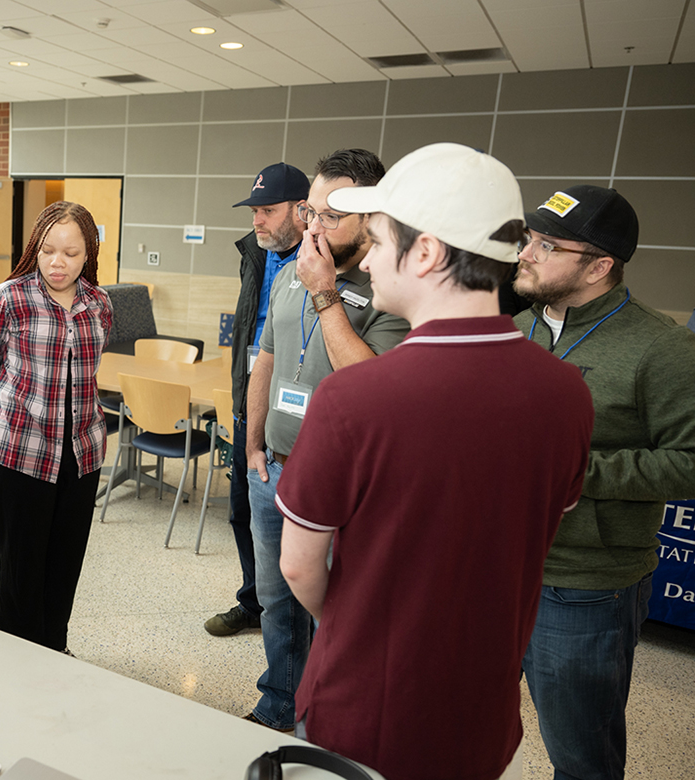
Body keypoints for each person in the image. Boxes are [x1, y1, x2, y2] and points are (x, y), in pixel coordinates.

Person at [276, 142, 595, 780]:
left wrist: (362, 624)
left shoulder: (356, 397)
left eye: (379, 237)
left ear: (425, 252)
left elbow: (300, 566)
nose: (367, 254)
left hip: (368, 712)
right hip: (482, 714)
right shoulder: (567, 394)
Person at [512, 184, 695, 780]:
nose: (526, 253)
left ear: (599, 265)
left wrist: (576, 472)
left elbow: (689, 461)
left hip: (586, 586)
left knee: (581, 757)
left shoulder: (662, 348)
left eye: (546, 244)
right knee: (471, 722)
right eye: (528, 238)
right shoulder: (516, 329)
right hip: (496, 570)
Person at [244, 149, 407, 731]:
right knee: (277, 601)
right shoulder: (293, 268)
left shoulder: (387, 286)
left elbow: (369, 387)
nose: (313, 227)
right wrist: (254, 443)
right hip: (276, 470)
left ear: (372, 216)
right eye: (311, 212)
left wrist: (325, 291)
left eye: (331, 216)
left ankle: (330, 718)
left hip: (345, 485)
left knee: (338, 609)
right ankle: (281, 699)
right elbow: (266, 356)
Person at [0, 201, 113, 653]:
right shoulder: (9, 298)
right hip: (21, 450)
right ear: (35, 246)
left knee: (64, 563)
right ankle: (16, 654)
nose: (58, 262)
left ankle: (55, 648)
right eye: (49, 250)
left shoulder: (99, 304)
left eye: (71, 253)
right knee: (20, 566)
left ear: (88, 254)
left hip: (82, 452)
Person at [204, 162, 311, 639]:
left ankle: (295, 618)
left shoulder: (318, 260)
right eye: (254, 210)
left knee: (296, 526)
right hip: (249, 394)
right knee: (242, 512)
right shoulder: (254, 252)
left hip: (295, 409)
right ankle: (254, 601)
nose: (257, 220)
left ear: (301, 210)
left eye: (268, 210)